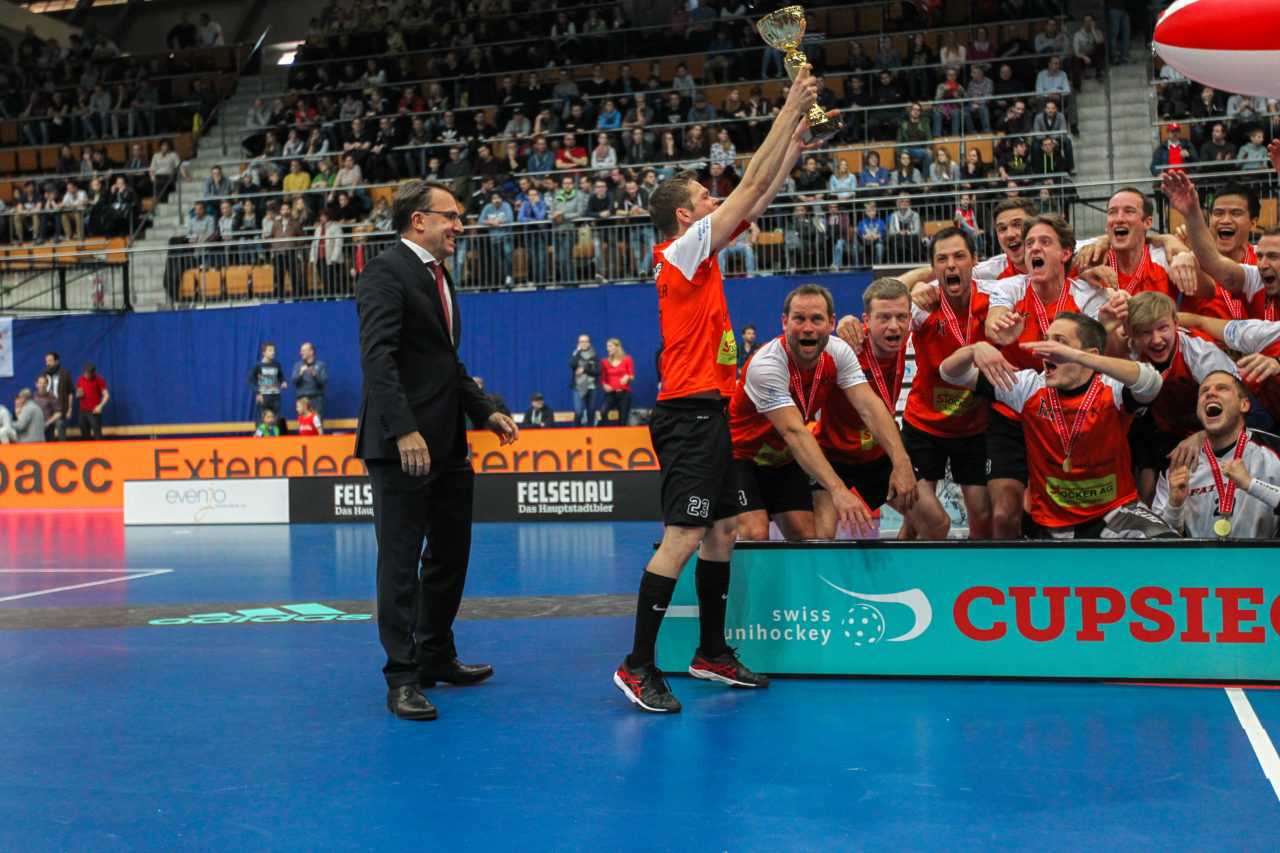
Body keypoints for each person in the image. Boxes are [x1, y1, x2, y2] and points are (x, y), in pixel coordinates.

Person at [613, 63, 823, 715]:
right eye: (707, 198)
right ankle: (637, 664)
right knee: (681, 534)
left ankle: (711, 651)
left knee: (724, 527)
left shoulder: (702, 258)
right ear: (686, 214)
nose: (717, 203)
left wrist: (794, 145)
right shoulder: (679, 252)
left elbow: (756, 197)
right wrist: (788, 105)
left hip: (712, 414)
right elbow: (748, 189)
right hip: (687, 416)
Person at [355, 180, 519, 722]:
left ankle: (435, 656)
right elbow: (377, 359)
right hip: (402, 446)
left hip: (448, 443)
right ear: (418, 220)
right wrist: (403, 430)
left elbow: (445, 362)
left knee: (450, 554)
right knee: (400, 564)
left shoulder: (440, 276)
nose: (460, 225)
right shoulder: (384, 271)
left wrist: (482, 408)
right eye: (451, 216)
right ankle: (401, 677)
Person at [940, 313, 1174, 539]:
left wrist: (1078, 356)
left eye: (1060, 343)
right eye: (1047, 340)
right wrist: (972, 350)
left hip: (1114, 513)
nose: (1047, 349)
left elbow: (1150, 382)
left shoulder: (1111, 390)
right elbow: (951, 374)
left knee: (1169, 546)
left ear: (1089, 355)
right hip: (1051, 524)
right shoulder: (1029, 387)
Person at [730, 284, 916, 541]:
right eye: (799, 319)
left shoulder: (838, 353)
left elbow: (870, 406)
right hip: (740, 457)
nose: (808, 327)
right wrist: (839, 491)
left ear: (831, 323)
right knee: (755, 532)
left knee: (810, 540)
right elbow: (794, 432)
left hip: (783, 460)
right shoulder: (767, 365)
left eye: (817, 319)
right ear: (784, 322)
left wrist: (902, 462)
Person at [1126, 291, 1239, 504]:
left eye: (1163, 328)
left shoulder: (1201, 353)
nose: (1156, 339)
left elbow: (1236, 407)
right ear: (1132, 334)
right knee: (1149, 494)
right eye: (1145, 332)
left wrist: (1203, 435)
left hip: (1212, 426)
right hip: (1162, 427)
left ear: (1176, 323)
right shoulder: (1128, 353)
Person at [1153, 371, 1280, 537]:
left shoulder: (1274, 450)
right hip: (1199, 561)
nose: (1211, 393)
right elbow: (1160, 542)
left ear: (1245, 405)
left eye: (1222, 388)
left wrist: (1251, 484)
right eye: (1204, 391)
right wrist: (1175, 507)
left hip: (1263, 560)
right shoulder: (1178, 464)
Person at [1164, 173, 1278, 321]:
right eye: (1218, 213)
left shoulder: (1267, 260)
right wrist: (1164, 239)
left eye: (1236, 213)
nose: (1225, 220)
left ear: (1253, 223)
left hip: (1265, 342)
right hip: (1209, 343)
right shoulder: (1187, 260)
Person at [598, 338, 634, 426]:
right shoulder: (605, 362)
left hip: (623, 393)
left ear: (617, 347)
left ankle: (622, 438)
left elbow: (632, 376)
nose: (608, 348)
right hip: (611, 393)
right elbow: (602, 379)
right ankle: (606, 432)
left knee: (622, 420)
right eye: (607, 346)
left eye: (610, 346)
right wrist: (605, 385)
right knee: (603, 411)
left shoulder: (627, 359)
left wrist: (627, 377)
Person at [248, 342, 287, 420]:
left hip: (275, 397)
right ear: (264, 353)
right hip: (264, 397)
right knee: (264, 421)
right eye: (270, 350)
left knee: (276, 421)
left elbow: (280, 375)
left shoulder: (277, 365)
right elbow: (249, 381)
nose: (273, 352)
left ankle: (275, 432)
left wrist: (283, 381)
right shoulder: (258, 366)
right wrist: (258, 392)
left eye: (273, 350)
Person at [568, 334, 601, 427]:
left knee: (591, 412)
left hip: (592, 387)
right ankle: (576, 433)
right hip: (579, 387)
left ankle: (590, 432)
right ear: (578, 343)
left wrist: (584, 370)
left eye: (586, 341)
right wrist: (578, 352)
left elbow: (598, 372)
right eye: (582, 342)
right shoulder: (575, 354)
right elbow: (573, 364)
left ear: (589, 343)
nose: (584, 343)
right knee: (578, 412)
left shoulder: (594, 356)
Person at [42, 352, 74, 440]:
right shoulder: (44, 374)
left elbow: (70, 393)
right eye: (46, 361)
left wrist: (69, 409)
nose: (47, 363)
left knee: (60, 429)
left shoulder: (64, 374)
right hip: (47, 409)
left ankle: (62, 451)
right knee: (47, 432)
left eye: (50, 361)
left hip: (60, 408)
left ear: (56, 361)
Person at [291, 342, 328, 417]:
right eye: (301, 351)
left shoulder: (321, 365)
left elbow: (323, 382)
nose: (301, 353)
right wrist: (300, 373)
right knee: (304, 424)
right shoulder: (298, 366)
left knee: (317, 424)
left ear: (311, 352)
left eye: (303, 351)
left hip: (316, 399)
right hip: (302, 399)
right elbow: (293, 381)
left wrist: (314, 375)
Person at [75, 363, 109, 440]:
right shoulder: (80, 379)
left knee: (97, 433)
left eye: (89, 375)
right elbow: (78, 393)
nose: (86, 376)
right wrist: (78, 394)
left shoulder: (99, 380)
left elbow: (106, 395)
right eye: (85, 374)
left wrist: (100, 406)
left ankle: (100, 450)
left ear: (93, 373)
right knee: (84, 434)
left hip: (94, 411)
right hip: (83, 411)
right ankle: (87, 451)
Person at [33, 375, 60, 441]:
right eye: (40, 383)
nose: (42, 385)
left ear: (47, 385)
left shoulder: (52, 397)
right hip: (35, 427)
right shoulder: (33, 397)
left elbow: (58, 413)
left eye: (44, 383)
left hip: (47, 428)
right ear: (36, 384)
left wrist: (47, 423)